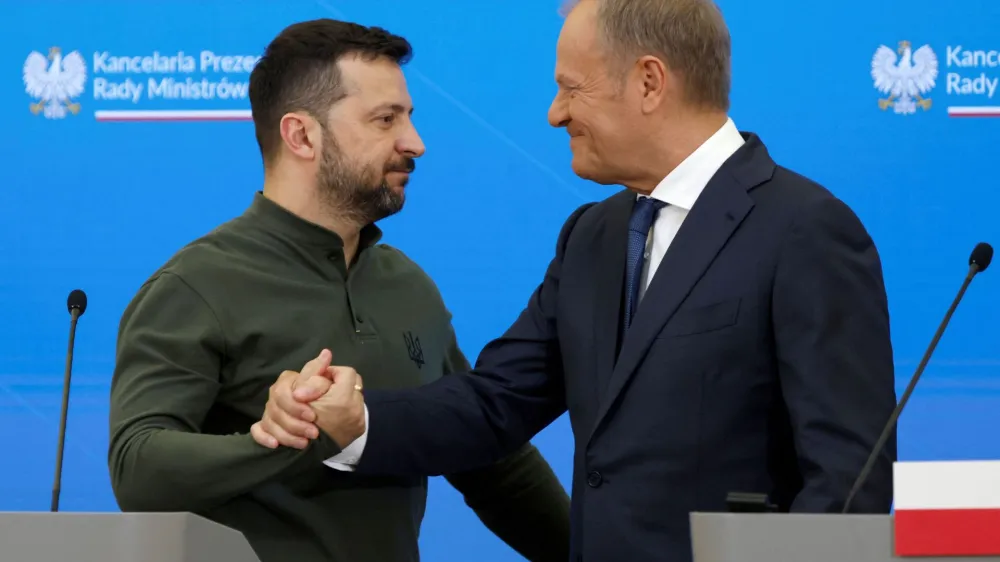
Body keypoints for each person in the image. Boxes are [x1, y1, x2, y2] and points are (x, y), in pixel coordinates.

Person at [253, 1, 898, 561]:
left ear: (649, 82)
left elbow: (848, 482)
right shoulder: (593, 235)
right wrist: (355, 419)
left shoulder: (804, 231)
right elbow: (495, 403)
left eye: (570, 88)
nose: (554, 113)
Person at [107, 18, 571, 562]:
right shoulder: (196, 285)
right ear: (301, 135)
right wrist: (280, 439)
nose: (415, 143)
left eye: (409, 117)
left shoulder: (408, 284)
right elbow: (138, 469)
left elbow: (491, 461)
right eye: (385, 120)